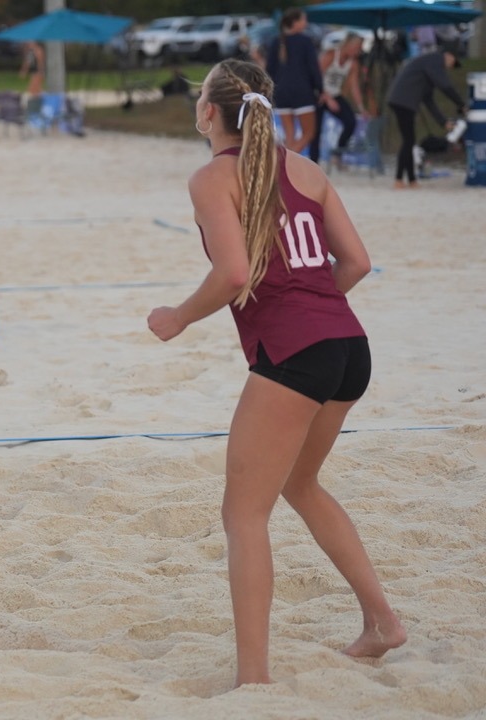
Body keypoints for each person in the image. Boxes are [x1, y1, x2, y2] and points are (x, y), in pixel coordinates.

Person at [147, 58, 406, 687]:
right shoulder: (307, 171)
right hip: (349, 345)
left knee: (244, 514)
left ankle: (254, 679)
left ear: (209, 112)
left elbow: (234, 274)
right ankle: (382, 623)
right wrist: (314, 311)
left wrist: (178, 316)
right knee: (301, 485)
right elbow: (358, 263)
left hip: (300, 353)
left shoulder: (214, 177)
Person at [385, 45, 466, 189]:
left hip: (402, 101)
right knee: (408, 140)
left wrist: (443, 122)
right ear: (449, 56)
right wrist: (461, 104)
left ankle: (411, 180)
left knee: (409, 140)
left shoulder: (428, 66)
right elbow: (445, 86)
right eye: (453, 63)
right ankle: (398, 179)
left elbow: (428, 100)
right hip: (403, 101)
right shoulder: (435, 60)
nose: (449, 68)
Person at [263, 8, 323, 154]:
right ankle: (286, 162)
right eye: (304, 20)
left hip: (281, 92)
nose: (306, 23)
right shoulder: (305, 41)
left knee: (289, 136)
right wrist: (319, 89)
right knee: (309, 133)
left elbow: (269, 69)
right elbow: (313, 68)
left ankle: (286, 166)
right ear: (295, 22)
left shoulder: (276, 41)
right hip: (302, 92)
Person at [309, 33, 365, 168]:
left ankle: (337, 154)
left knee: (350, 121)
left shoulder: (353, 63)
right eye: (357, 48)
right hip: (318, 93)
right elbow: (316, 76)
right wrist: (326, 98)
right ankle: (313, 163)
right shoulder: (331, 55)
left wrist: (361, 107)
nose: (358, 51)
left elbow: (354, 86)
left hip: (334, 94)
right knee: (315, 130)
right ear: (348, 45)